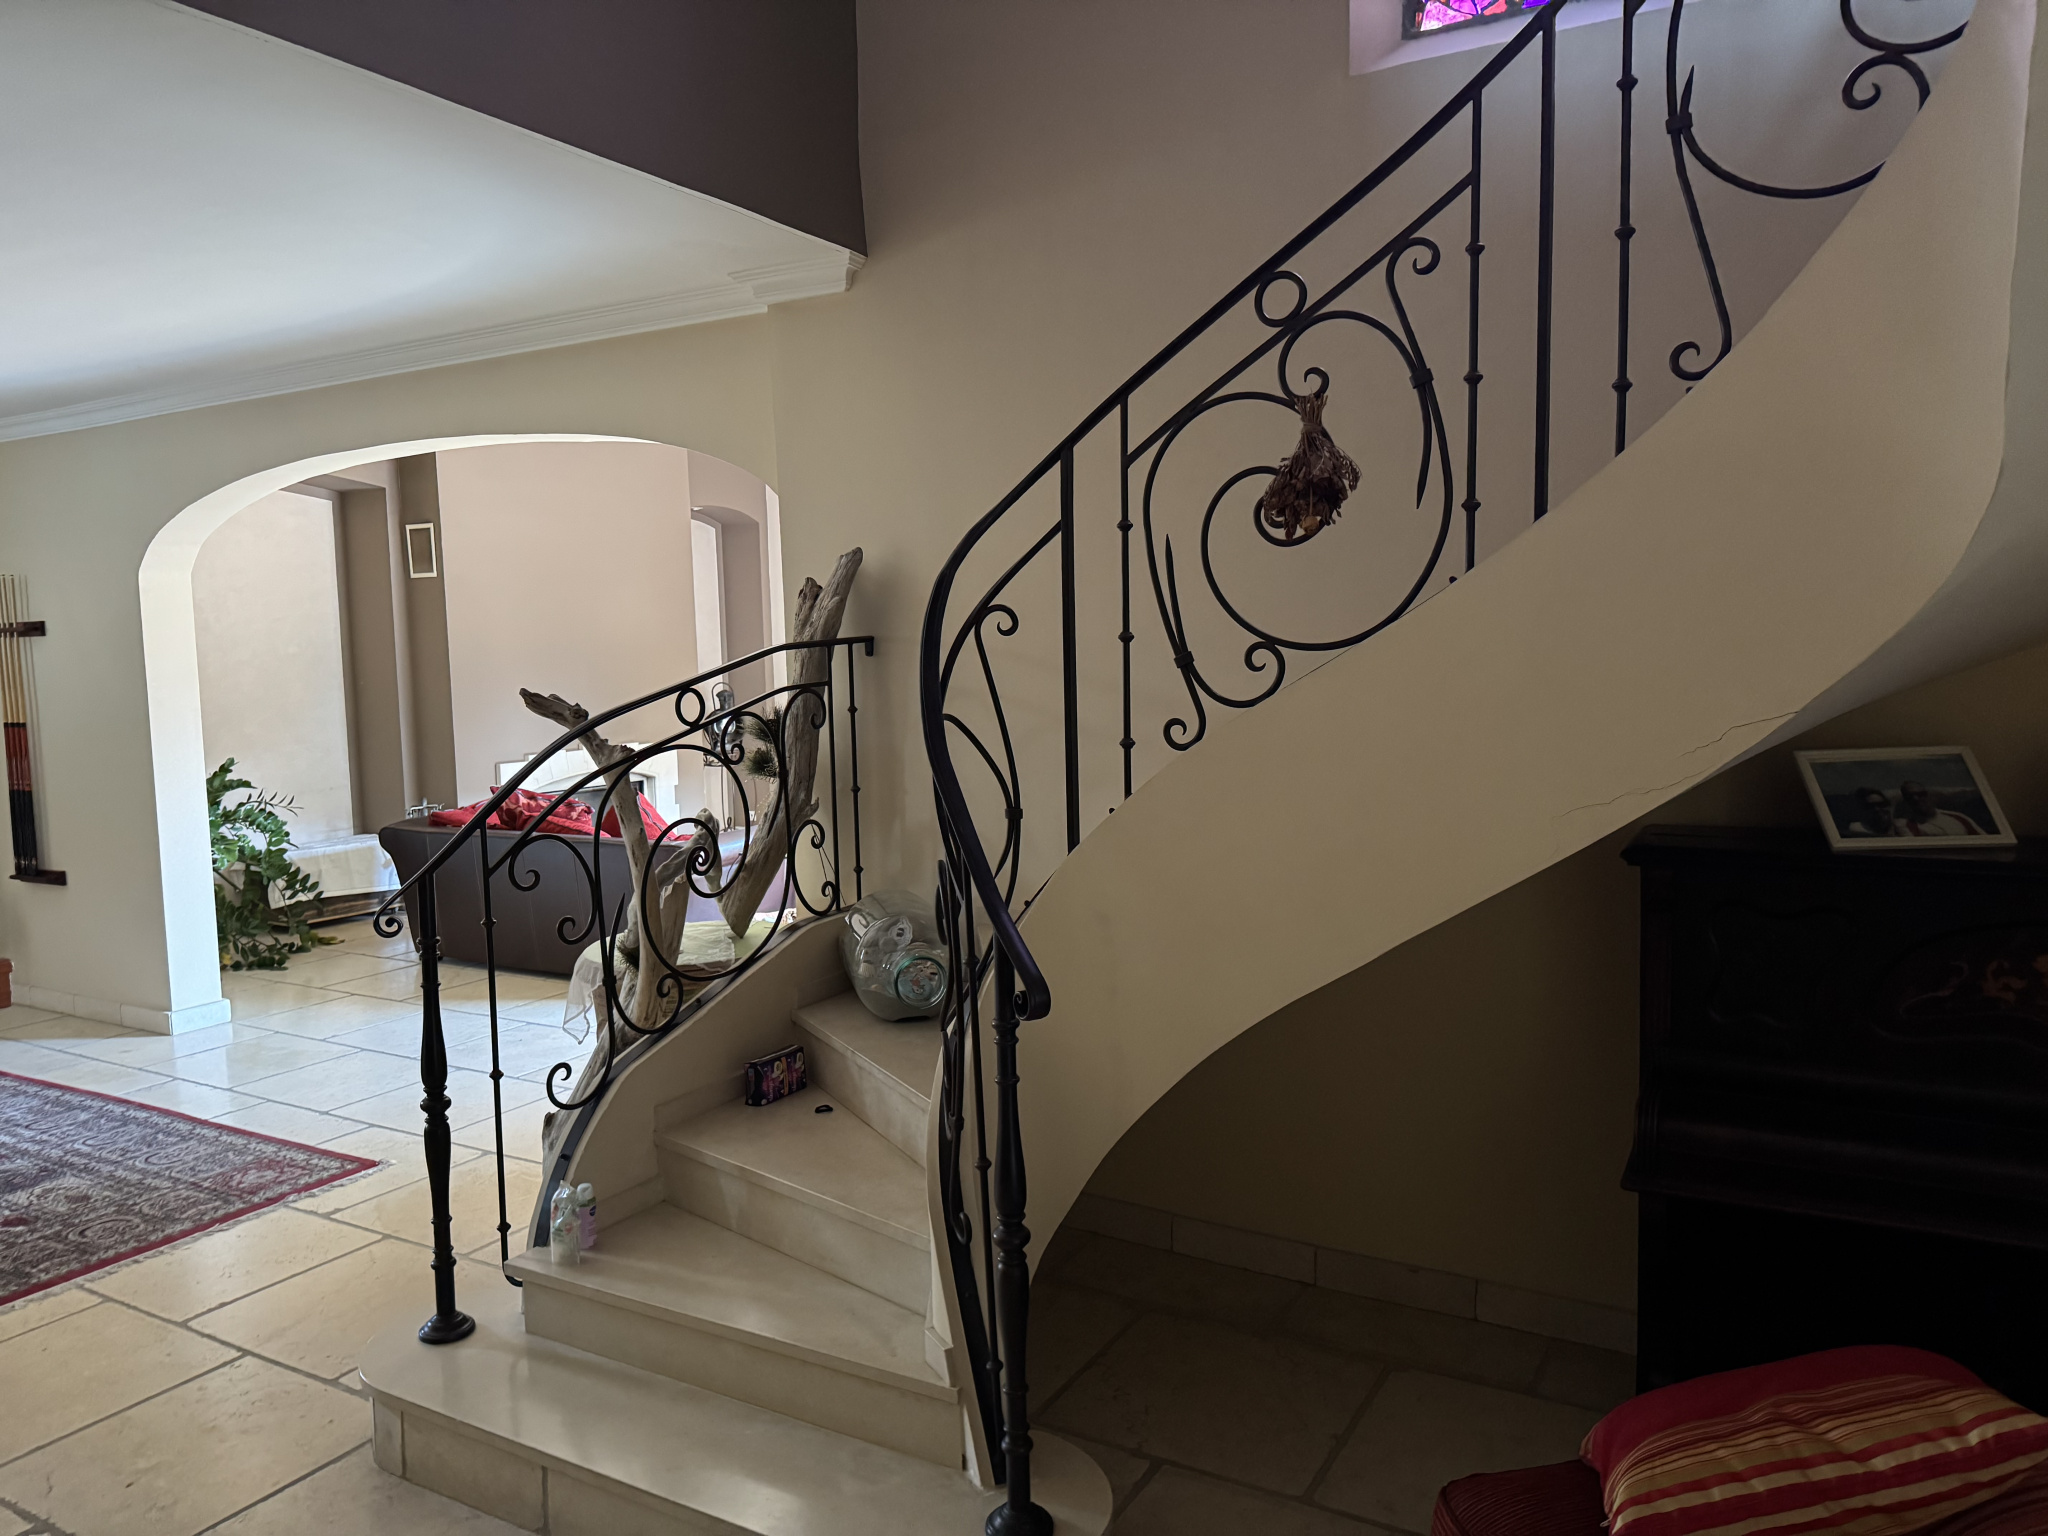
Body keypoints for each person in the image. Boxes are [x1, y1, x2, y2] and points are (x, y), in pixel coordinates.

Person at [1896, 779, 1987, 837]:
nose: (1916, 799)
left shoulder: (1958, 817)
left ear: (1929, 795)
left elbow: (1983, 839)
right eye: (1909, 797)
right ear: (1906, 801)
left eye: (1920, 794)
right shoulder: (1904, 825)